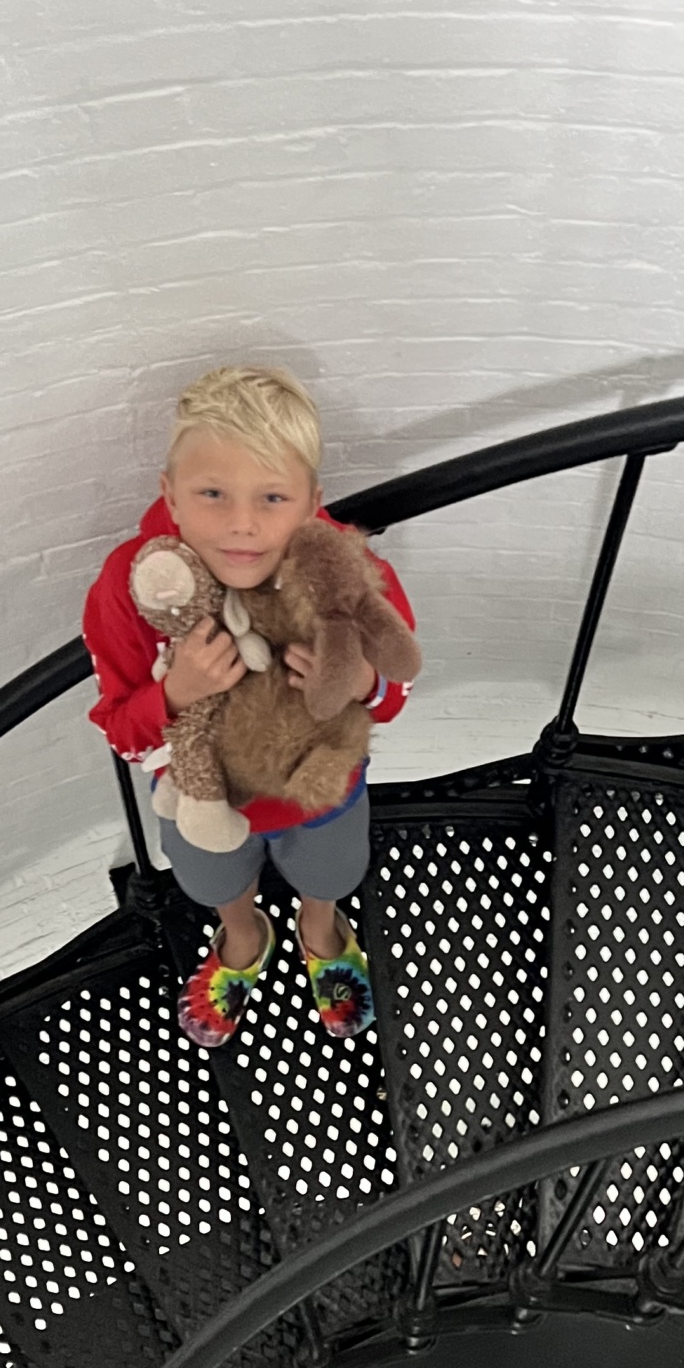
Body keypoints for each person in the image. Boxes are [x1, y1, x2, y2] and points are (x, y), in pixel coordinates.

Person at [82, 365, 416, 1048]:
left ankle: (319, 928)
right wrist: (176, 694)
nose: (241, 525)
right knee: (212, 881)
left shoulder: (342, 573)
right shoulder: (133, 586)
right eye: (212, 493)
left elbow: (397, 687)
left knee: (333, 871)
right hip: (205, 800)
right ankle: (242, 936)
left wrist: (356, 684)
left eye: (272, 497)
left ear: (311, 502)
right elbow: (119, 730)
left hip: (321, 790)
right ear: (169, 497)